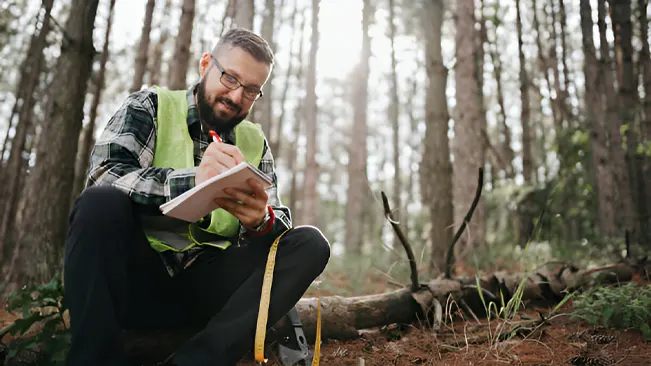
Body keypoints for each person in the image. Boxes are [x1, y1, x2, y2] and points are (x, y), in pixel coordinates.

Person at [63, 28, 331, 366]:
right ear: (206, 63)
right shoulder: (149, 106)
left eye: (250, 90)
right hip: (135, 282)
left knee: (310, 244)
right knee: (98, 203)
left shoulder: (254, 141)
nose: (236, 96)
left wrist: (261, 222)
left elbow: (276, 218)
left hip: (210, 290)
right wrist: (190, 181)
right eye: (230, 78)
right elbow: (105, 175)